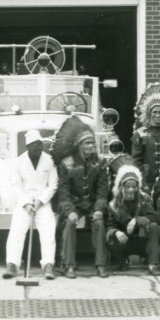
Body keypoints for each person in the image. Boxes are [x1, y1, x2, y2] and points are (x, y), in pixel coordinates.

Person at [52, 115, 110, 278]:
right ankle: (69, 265)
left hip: (91, 203)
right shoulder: (66, 164)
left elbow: (102, 190)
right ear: (79, 146)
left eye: (92, 143)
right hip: (75, 204)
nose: (92, 146)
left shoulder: (99, 162)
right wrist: (69, 210)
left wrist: (99, 208)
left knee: (98, 221)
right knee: (70, 222)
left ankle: (100, 264)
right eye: (88, 143)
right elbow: (64, 193)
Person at [3, 130, 58, 280]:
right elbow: (15, 186)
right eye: (35, 145)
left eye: (40, 145)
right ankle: (12, 265)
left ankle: (47, 265)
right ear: (28, 146)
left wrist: (40, 201)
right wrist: (26, 203)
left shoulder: (49, 160)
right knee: (16, 230)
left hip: (43, 202)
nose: (39, 148)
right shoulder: (18, 162)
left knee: (48, 230)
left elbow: (53, 185)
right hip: (24, 202)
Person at [105, 156, 160, 276]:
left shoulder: (144, 199)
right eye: (127, 186)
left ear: (138, 187)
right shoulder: (114, 204)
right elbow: (109, 225)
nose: (131, 189)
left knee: (154, 226)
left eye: (134, 186)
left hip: (142, 240)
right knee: (113, 239)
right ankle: (122, 260)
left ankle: (153, 264)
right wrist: (115, 232)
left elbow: (155, 216)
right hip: (124, 241)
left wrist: (136, 220)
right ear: (121, 187)